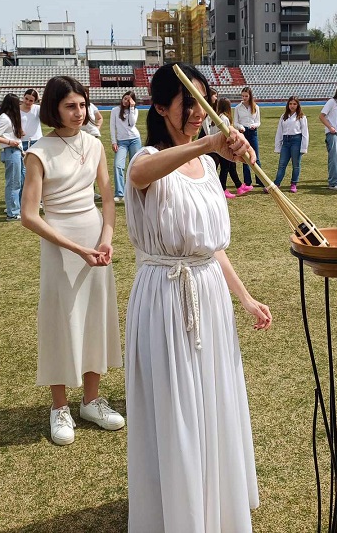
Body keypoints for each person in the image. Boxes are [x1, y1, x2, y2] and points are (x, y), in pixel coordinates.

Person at [124, 63, 272, 532]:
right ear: (160, 107)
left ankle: (216, 504)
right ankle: (180, 513)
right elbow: (140, 173)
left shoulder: (208, 167)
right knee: (177, 407)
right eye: (187, 102)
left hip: (207, 295)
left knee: (212, 397)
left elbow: (211, 247)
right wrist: (209, 141)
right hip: (165, 297)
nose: (196, 111)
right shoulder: (148, 156)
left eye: (203, 100)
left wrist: (245, 298)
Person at [21, 76, 123, 446]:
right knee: (62, 321)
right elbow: (29, 215)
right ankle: (59, 406)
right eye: (70, 106)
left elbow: (108, 199)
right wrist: (77, 249)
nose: (78, 112)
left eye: (82, 104)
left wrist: (106, 240)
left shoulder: (95, 145)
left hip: (96, 241)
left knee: (96, 315)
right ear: (54, 108)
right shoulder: (39, 152)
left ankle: (92, 400)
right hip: (61, 244)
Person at [0, 93, 24, 220]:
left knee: (19, 181)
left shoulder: (11, 118)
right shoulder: (5, 118)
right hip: (11, 151)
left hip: (16, 151)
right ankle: (12, 212)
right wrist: (8, 142)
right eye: (18, 103)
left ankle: (15, 208)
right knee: (13, 183)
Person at [109, 90, 142, 203]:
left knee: (135, 167)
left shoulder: (135, 110)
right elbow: (112, 127)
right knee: (118, 165)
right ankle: (119, 194)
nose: (126, 101)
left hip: (134, 140)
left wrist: (132, 108)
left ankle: (135, 193)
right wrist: (114, 142)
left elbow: (132, 124)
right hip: (121, 142)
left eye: (129, 100)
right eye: (125, 98)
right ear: (122, 98)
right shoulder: (115, 111)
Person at [273, 96, 309, 193]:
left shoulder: (301, 117)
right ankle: (276, 183)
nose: (292, 106)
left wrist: (303, 148)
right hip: (286, 141)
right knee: (282, 164)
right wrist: (278, 146)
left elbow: (305, 133)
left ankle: (294, 183)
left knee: (296, 164)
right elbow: (279, 132)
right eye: (290, 104)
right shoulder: (283, 116)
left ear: (297, 105)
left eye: (294, 104)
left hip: (296, 141)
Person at [212, 98, 244, 198]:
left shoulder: (217, 117)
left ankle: (238, 186)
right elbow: (226, 134)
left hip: (217, 146)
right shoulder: (224, 119)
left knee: (228, 167)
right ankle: (223, 189)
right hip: (223, 146)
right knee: (225, 168)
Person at [234, 87, 263, 192]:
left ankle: (260, 180)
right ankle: (247, 181)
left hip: (253, 132)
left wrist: (254, 125)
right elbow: (235, 122)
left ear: (250, 96)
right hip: (243, 132)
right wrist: (240, 127)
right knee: (245, 157)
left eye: (246, 96)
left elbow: (258, 121)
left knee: (256, 156)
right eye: (242, 96)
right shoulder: (238, 107)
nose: (244, 98)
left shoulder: (256, 107)